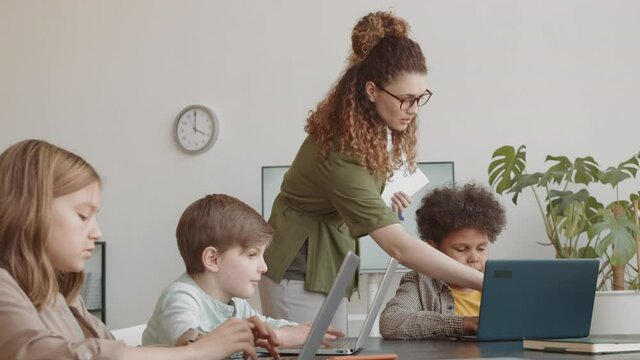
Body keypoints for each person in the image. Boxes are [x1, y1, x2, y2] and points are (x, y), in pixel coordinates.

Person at [260, 10, 485, 330]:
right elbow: (399, 247)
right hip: (300, 269)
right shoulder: (342, 151)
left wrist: (380, 199)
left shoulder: (372, 128)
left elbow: (352, 191)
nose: (414, 110)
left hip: (332, 264)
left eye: (420, 98)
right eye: (406, 99)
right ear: (371, 91)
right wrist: (483, 282)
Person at [0, 140, 279, 360]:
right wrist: (195, 352)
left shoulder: (63, 294)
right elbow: (44, 355)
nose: (96, 232)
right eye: (83, 216)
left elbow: (106, 346)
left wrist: (207, 344)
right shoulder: (4, 286)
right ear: (29, 212)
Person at [142, 194, 344, 348]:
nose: (264, 267)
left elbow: (265, 324)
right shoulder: (181, 297)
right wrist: (279, 337)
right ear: (213, 259)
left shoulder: (236, 304)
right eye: (252, 255)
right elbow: (191, 346)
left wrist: (298, 330)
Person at [379, 183, 506, 339]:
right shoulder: (421, 284)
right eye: (461, 249)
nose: (474, 258)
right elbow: (390, 322)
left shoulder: (501, 285)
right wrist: (463, 323)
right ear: (433, 250)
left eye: (481, 249)